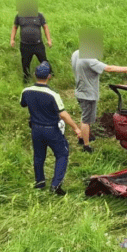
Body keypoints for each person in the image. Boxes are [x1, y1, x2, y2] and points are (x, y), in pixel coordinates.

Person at [20, 62, 82, 196]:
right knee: (62, 154)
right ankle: (56, 185)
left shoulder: (26, 91)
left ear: (34, 75)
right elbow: (63, 114)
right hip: (51, 129)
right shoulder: (52, 94)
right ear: (49, 76)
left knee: (38, 155)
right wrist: (76, 129)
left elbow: (23, 104)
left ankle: (40, 182)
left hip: (35, 129)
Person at [71, 50, 127, 153]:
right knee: (86, 120)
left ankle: (83, 136)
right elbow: (109, 68)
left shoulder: (76, 53)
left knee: (85, 116)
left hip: (80, 91)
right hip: (88, 95)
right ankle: (86, 145)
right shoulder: (89, 59)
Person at [10, 8, 53, 82]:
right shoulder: (19, 16)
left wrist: (49, 40)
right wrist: (12, 39)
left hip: (38, 44)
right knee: (25, 63)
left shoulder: (39, 15)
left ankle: (50, 74)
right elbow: (15, 27)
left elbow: (45, 27)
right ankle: (26, 79)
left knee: (44, 60)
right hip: (25, 45)